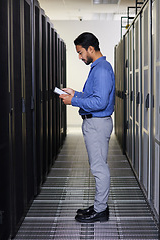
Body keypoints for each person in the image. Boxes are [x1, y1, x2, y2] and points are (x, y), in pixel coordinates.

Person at [59, 32, 115, 223]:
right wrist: (76, 93)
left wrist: (73, 101)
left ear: (91, 49)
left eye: (81, 52)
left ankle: (101, 210)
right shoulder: (97, 68)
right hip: (95, 123)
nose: (80, 57)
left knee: (99, 168)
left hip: (98, 123)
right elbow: (93, 96)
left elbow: (100, 102)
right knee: (97, 165)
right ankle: (99, 205)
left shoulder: (101, 69)